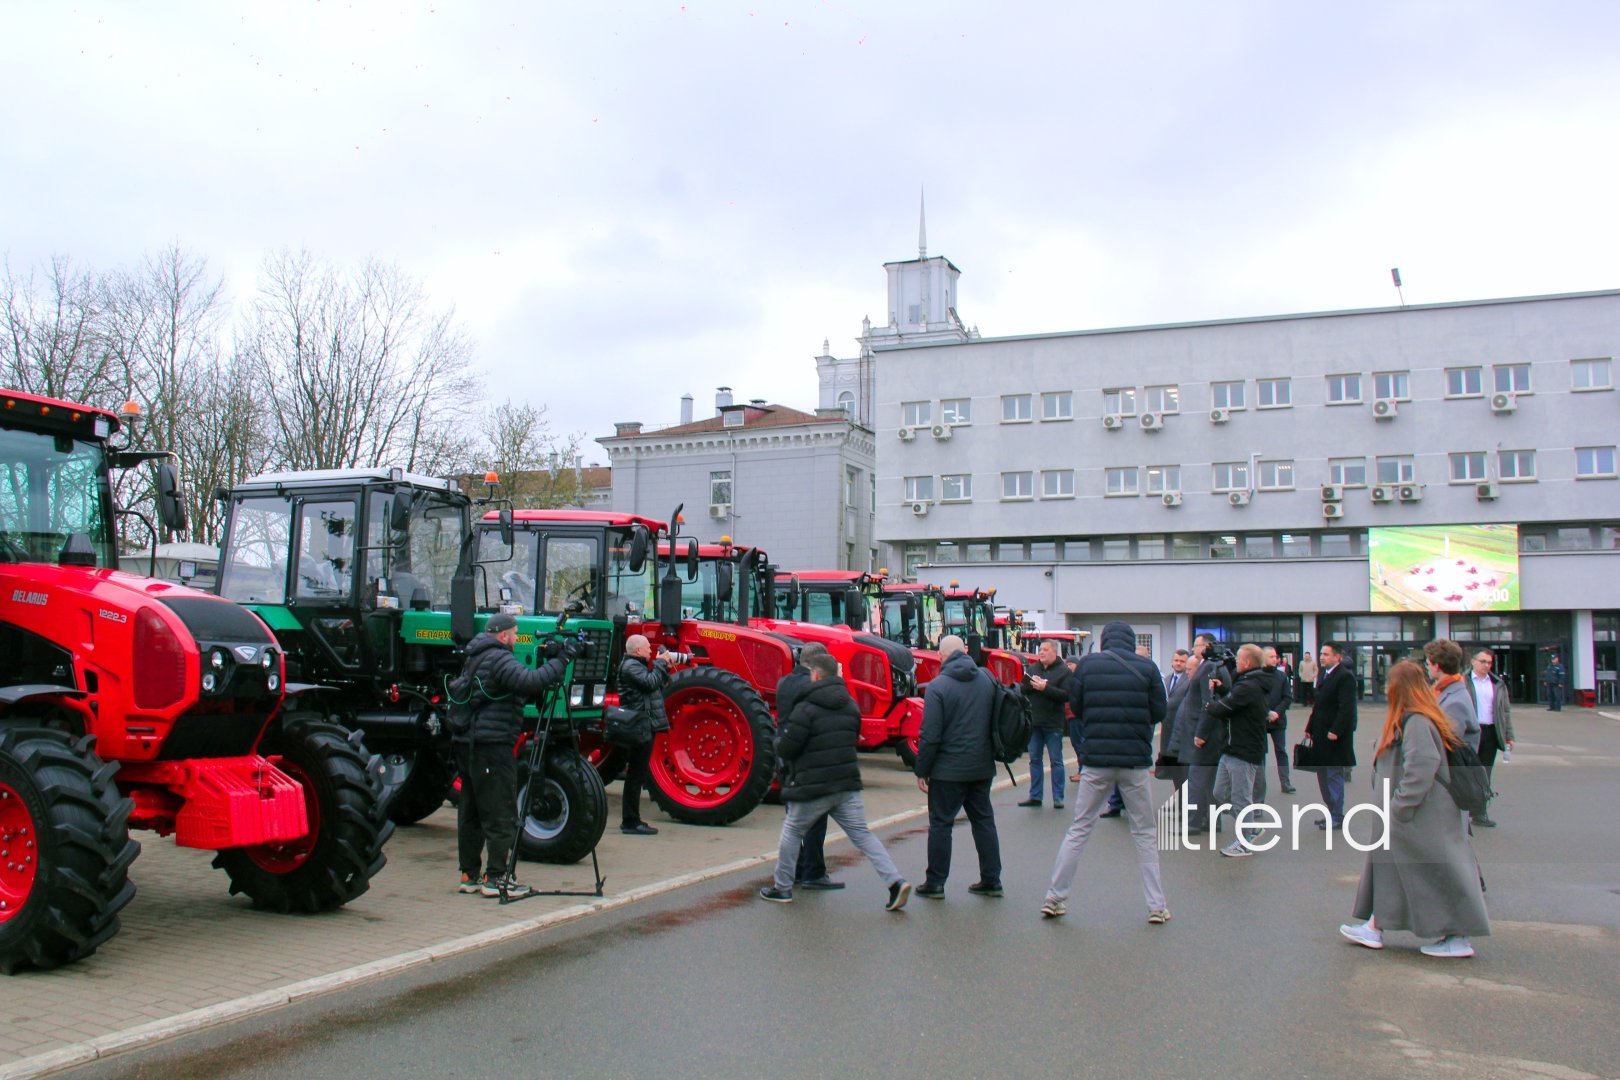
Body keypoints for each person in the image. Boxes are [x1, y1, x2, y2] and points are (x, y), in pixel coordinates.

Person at [1339, 661, 1491, 958]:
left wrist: (1400, 807)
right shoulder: (1419, 716)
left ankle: (1458, 937)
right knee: (1394, 869)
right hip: (1414, 814)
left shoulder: (1417, 720)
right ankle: (1375, 925)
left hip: (1421, 814)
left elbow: (1421, 767)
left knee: (1438, 872)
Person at [760, 650, 911, 911]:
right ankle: (895, 882)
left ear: (815, 675)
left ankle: (782, 888)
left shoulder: (804, 708)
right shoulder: (851, 706)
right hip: (846, 784)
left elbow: (787, 748)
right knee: (863, 835)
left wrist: (775, 741)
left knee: (792, 831)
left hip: (813, 785)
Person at [1041, 620, 1170, 924]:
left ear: (1103, 641)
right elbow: (1160, 711)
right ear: (1130, 640)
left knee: (1080, 827)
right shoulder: (1147, 668)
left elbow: (1077, 706)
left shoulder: (1087, 666)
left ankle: (1054, 897)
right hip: (1134, 761)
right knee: (1144, 832)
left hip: (1096, 759)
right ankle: (1156, 905)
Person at [452, 612, 580, 898]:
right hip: (492, 746)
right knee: (500, 811)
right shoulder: (499, 657)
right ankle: (497, 878)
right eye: (515, 633)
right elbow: (530, 681)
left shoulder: (475, 655)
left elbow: (514, 687)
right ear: (503, 635)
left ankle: (468, 874)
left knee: (471, 810)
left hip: (468, 743)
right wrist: (563, 659)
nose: (517, 637)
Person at [913, 634, 1002, 899]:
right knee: (984, 821)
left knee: (941, 824)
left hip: (948, 770)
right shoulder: (988, 679)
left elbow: (930, 734)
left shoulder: (939, 686)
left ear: (941, 656)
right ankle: (992, 879)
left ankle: (936, 882)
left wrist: (922, 770)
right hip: (982, 766)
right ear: (964, 651)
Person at [774, 642, 843, 887]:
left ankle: (797, 868)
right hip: (809, 757)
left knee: (793, 819)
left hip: (784, 756)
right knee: (816, 817)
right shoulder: (814, 685)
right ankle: (814, 871)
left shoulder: (783, 683)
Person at [1200, 643, 1271, 857]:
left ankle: (1245, 842)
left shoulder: (1250, 685)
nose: (1235, 663)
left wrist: (1209, 704)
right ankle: (1250, 828)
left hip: (1244, 749)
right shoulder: (1246, 683)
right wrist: (1223, 690)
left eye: (1239, 659)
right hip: (1231, 748)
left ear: (1247, 662)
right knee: (1220, 793)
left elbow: (1225, 707)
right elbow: (1233, 698)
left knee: (1241, 798)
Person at [618, 634, 683, 836]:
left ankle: (631, 819)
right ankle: (630, 821)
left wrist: (664, 667)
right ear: (637, 651)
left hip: (644, 724)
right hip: (639, 725)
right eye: (647, 648)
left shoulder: (636, 666)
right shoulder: (630, 667)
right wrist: (660, 665)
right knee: (636, 774)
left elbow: (657, 685)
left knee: (637, 773)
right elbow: (650, 682)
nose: (650, 651)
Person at [1168, 634, 1229, 833]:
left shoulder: (1208, 668)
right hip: (1206, 733)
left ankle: (1193, 822)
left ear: (1206, 646)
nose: (1192, 649)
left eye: (1196, 645)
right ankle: (1211, 820)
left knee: (1197, 780)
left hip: (1203, 734)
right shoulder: (1214, 666)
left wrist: (1201, 733)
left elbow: (1207, 703)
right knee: (1206, 781)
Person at [1303, 642, 1357, 828]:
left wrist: (1336, 730)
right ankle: (1330, 810)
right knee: (1323, 775)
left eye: (1326, 654)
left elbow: (1347, 709)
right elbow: (1318, 706)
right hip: (1320, 735)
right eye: (1321, 653)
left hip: (1334, 737)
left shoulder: (1345, 677)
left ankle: (1337, 815)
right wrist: (1309, 727)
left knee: (1333, 775)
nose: (1322, 657)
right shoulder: (1325, 675)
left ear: (1337, 657)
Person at [1019, 641, 1072, 809]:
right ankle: (1035, 796)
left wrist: (1045, 688)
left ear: (1054, 652)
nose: (1041, 652)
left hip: (1053, 724)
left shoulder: (1064, 671)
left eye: (1045, 650)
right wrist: (1031, 685)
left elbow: (1066, 695)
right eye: (1040, 649)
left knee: (1056, 760)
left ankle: (1058, 797)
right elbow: (1022, 689)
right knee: (1034, 760)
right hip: (1034, 722)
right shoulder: (1033, 669)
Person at [1465, 651, 1514, 828]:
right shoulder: (1463, 682)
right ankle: (1461, 814)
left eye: (1489, 662)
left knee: (1484, 775)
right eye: (1483, 661)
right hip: (1470, 733)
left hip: (1490, 733)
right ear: (1473, 662)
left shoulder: (1497, 684)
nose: (1486, 665)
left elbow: (1505, 712)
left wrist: (1509, 736)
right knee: (1466, 773)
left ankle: (1480, 813)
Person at [1424, 640, 1480, 752]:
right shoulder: (1441, 691)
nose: (1426, 668)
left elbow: (1445, 745)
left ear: (1437, 666)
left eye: (1428, 664)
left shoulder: (1455, 703)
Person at [1262, 645, 1295, 795]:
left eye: (1275, 657)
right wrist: (1266, 712)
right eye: (1271, 657)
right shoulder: (1257, 676)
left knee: (1281, 751)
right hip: (1260, 720)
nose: (1275, 659)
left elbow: (1287, 698)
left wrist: (1277, 712)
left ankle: (1285, 782)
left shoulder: (1281, 676)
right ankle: (1259, 786)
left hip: (1278, 720)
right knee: (1260, 753)